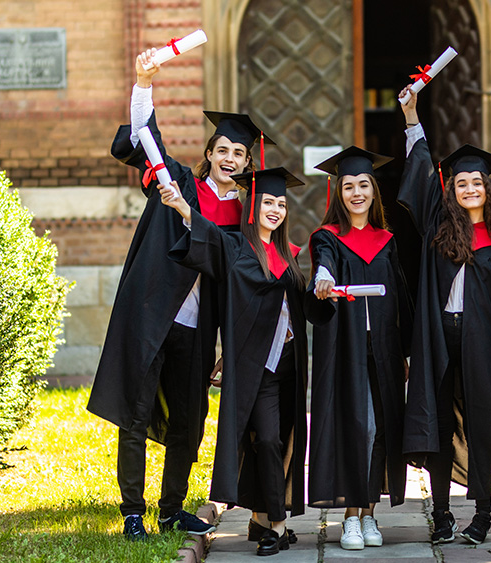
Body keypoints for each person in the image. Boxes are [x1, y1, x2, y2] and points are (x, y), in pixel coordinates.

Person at [86, 48, 269, 540]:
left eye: (240, 154)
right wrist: (143, 83)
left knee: (189, 422)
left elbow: (247, 285)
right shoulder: (180, 184)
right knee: (137, 413)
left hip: (198, 327)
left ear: (248, 163)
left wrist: (232, 348)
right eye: (223, 150)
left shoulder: (249, 219)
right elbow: (147, 141)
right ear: (210, 153)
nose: (230, 159)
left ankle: (169, 510)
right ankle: (131, 511)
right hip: (151, 318)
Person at [159, 166, 308, 556]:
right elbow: (205, 233)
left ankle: (262, 519)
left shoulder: (288, 254)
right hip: (253, 365)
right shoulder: (235, 247)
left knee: (273, 440)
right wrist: (182, 208)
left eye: (280, 203)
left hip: (288, 361)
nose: (275, 210)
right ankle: (278, 525)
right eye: (267, 203)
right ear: (253, 206)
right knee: (268, 439)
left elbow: (296, 305)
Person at [397, 86, 491, 545]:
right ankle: (442, 513)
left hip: (483, 341)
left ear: (488, 187)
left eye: (476, 182)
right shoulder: (439, 228)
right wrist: (411, 116)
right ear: (452, 189)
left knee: (484, 423)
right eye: (461, 182)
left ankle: (482, 513)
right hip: (440, 335)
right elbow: (423, 169)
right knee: (439, 422)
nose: (469, 188)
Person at [304, 146, 413, 550]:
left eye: (363, 185)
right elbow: (324, 261)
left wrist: (403, 352)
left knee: (382, 428)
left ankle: (370, 513)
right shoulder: (328, 238)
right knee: (359, 426)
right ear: (339, 193)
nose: (356, 193)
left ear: (373, 191)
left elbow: (400, 298)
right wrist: (324, 278)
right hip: (347, 350)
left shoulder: (386, 240)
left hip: (383, 349)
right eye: (348, 186)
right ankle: (351, 515)